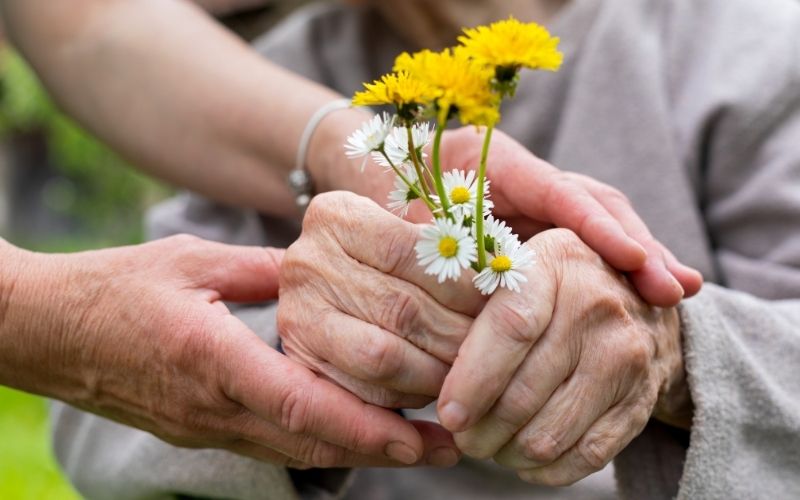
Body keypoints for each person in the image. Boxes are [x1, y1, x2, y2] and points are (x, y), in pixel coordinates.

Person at [49, 0, 800, 499]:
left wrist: (675, 354)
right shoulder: (257, 85)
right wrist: (298, 358)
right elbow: (97, 422)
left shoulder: (747, 51)